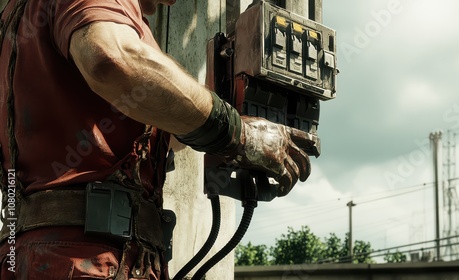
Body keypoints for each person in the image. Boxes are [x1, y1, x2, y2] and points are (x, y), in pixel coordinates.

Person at [0, 0, 311, 278]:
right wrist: (237, 133)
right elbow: (111, 59)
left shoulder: (17, 18)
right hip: (88, 257)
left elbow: (150, 130)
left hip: (30, 253)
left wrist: (210, 109)